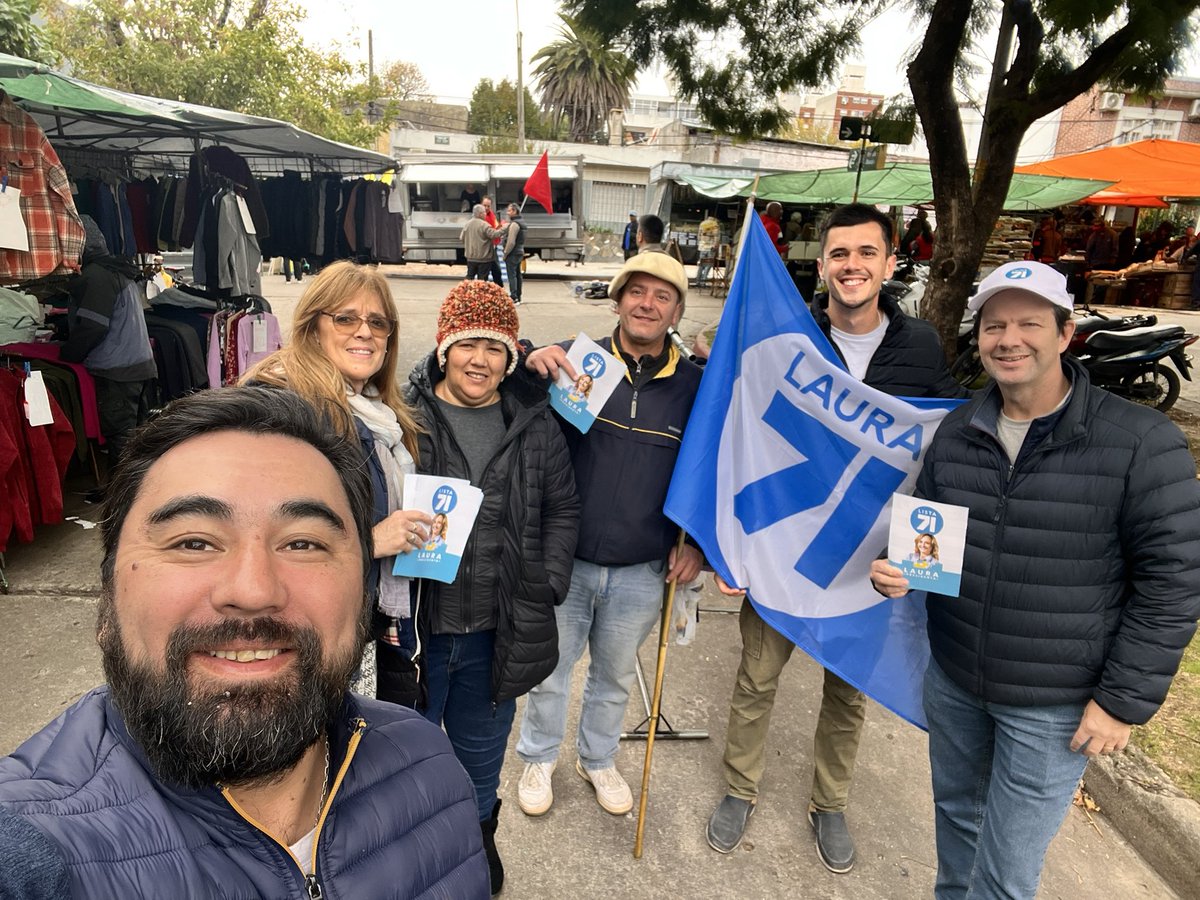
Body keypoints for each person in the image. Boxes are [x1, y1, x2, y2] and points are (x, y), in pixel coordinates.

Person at [0, 388, 490, 898]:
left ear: (362, 591)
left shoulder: (430, 766)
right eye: (193, 542)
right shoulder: (34, 844)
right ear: (107, 598)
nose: (254, 591)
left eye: (304, 543)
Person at [870, 260, 1200, 899]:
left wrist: (1122, 702)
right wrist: (899, 572)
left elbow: (1173, 582)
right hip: (957, 681)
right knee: (957, 827)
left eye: (1028, 323)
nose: (1009, 339)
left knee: (1007, 872)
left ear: (1065, 332)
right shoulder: (958, 432)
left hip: (1054, 705)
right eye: (994, 326)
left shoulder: (1140, 441)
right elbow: (932, 540)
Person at [705, 203, 966, 871]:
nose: (852, 266)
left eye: (865, 253)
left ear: (887, 262)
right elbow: (735, 422)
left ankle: (830, 802)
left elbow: (945, 457)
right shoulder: (789, 337)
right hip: (782, 546)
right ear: (822, 266)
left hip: (867, 557)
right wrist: (724, 540)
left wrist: (917, 561)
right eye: (839, 254)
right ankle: (739, 789)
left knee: (850, 688)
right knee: (756, 678)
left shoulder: (922, 348)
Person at [515, 251, 704, 818]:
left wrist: (696, 543)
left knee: (615, 676)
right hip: (565, 559)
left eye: (662, 296)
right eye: (637, 292)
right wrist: (527, 359)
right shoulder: (576, 360)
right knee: (549, 669)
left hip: (645, 566)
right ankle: (539, 756)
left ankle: (597, 759)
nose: (647, 304)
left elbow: (709, 472)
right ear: (617, 299)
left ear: (676, 311)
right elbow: (510, 406)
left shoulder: (697, 386)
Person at [405, 280, 580, 894]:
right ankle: (420, 852)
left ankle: (479, 841)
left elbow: (562, 507)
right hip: (417, 633)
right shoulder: (405, 416)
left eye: (495, 346)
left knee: (481, 763)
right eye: (467, 343)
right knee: (407, 762)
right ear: (443, 347)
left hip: (494, 635)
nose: (479, 359)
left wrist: (548, 580)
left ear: (512, 356)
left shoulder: (532, 424)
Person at [242, 260, 428, 707]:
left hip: (369, 620)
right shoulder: (283, 409)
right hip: (303, 636)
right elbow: (255, 534)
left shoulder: (381, 413)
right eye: (345, 318)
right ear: (313, 327)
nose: (364, 332)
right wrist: (368, 542)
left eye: (378, 322)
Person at [60, 217, 156, 467]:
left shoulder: (97, 276)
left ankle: (122, 501)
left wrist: (69, 353)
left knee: (121, 439)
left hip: (118, 370)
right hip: (138, 363)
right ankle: (137, 494)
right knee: (137, 438)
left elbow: (93, 326)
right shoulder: (116, 269)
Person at [462, 204, 508, 282]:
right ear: (480, 214)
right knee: (482, 280)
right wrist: (504, 228)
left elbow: (462, 238)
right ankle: (479, 294)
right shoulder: (484, 225)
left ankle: (466, 293)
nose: (485, 214)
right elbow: (494, 235)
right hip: (483, 258)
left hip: (470, 258)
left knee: (469, 278)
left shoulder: (467, 224)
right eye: (484, 212)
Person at [503, 203, 526, 305]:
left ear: (514, 211)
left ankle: (513, 297)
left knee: (511, 275)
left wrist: (505, 253)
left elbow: (511, 241)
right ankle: (518, 296)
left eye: (509, 211)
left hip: (512, 253)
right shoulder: (522, 223)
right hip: (520, 251)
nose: (507, 213)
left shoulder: (514, 224)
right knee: (517, 275)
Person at [481, 196, 506, 284]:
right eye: (485, 205)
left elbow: (495, 227)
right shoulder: (480, 217)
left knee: (496, 271)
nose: (486, 208)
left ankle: (499, 289)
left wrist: (500, 227)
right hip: (484, 248)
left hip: (492, 247)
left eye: (488, 206)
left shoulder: (492, 216)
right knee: (486, 272)